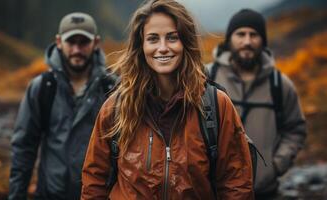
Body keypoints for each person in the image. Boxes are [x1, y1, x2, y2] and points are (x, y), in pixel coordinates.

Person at [81, 1, 254, 199]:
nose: (162, 48)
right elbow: (94, 183)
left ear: (186, 42)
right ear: (141, 45)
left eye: (172, 38)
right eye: (153, 39)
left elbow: (236, 184)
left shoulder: (216, 105)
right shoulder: (116, 107)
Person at [8, 12, 115, 200]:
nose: (76, 49)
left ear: (96, 42)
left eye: (83, 42)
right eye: (71, 42)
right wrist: (17, 195)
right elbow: (24, 147)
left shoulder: (112, 88)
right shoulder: (42, 87)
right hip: (49, 194)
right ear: (58, 41)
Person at [206, 9, 307, 199]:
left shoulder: (279, 84)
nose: (247, 41)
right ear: (229, 39)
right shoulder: (208, 77)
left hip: (265, 191)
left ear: (263, 41)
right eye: (240, 34)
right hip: (217, 192)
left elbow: (295, 129)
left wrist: (277, 164)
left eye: (254, 35)